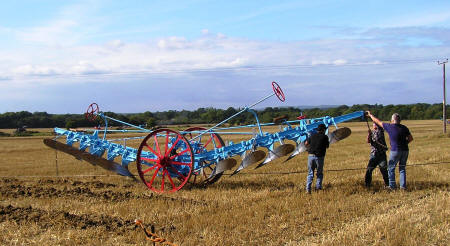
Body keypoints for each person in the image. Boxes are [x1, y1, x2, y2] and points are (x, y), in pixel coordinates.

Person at [366, 112, 413, 190]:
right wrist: (404, 143)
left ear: (392, 120)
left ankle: (392, 186)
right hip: (405, 150)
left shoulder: (390, 127)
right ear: (399, 120)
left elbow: (378, 121)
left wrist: (370, 115)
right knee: (402, 169)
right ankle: (403, 187)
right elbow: (411, 138)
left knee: (391, 168)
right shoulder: (404, 127)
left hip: (395, 150)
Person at [305, 123, 329, 193]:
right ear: (323, 130)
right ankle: (318, 188)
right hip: (319, 157)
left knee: (310, 173)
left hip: (310, 156)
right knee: (319, 173)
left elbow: (306, 143)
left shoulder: (312, 136)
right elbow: (327, 146)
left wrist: (308, 148)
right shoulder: (325, 137)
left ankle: (308, 189)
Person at [365, 122, 389, 188]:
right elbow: (368, 141)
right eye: (373, 124)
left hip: (381, 155)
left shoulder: (380, 131)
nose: (374, 125)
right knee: (369, 170)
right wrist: (369, 134)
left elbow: (377, 138)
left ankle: (388, 184)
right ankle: (367, 185)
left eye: (375, 124)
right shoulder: (372, 132)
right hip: (374, 154)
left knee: (384, 170)